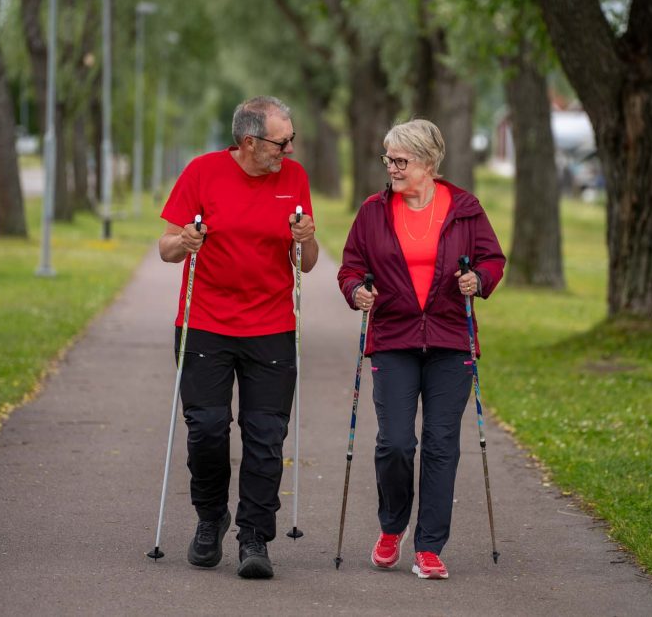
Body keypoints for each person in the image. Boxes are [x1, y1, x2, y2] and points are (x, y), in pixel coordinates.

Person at [337, 119, 505, 580]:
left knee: (440, 444)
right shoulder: (373, 211)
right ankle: (392, 527)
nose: (390, 167)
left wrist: (480, 279)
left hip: (452, 339)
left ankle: (430, 547)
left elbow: (493, 258)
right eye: (387, 158)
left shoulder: (466, 210)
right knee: (395, 442)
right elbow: (350, 268)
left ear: (428, 163)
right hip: (393, 337)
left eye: (400, 160)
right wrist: (357, 292)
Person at [158, 96, 317, 580]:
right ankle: (210, 519)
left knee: (266, 437)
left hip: (271, 327)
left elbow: (306, 263)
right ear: (249, 141)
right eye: (281, 141)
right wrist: (184, 241)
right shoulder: (202, 173)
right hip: (206, 321)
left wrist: (305, 237)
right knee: (206, 429)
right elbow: (166, 248)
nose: (289, 149)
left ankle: (254, 535)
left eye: (291, 139)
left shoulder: (294, 179)